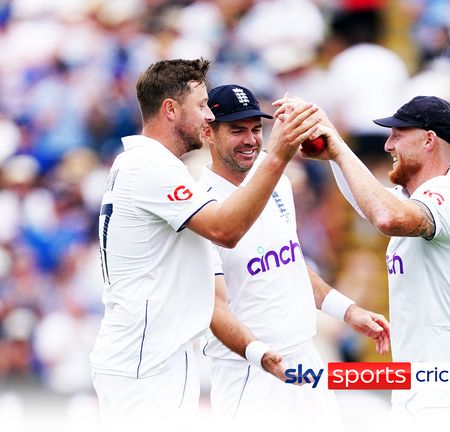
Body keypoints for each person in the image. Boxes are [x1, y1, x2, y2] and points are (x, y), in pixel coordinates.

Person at [89, 59, 321, 430]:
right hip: (145, 363)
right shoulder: (151, 167)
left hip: (152, 356)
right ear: (170, 109)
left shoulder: (145, 163)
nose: (208, 116)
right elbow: (226, 230)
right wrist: (277, 156)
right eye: (201, 106)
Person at [277, 94, 450, 429]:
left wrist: (338, 148)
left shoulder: (446, 197)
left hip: (447, 393)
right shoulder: (415, 200)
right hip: (420, 386)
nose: (389, 145)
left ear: (428, 140)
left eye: (398, 135)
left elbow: (385, 217)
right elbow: (369, 203)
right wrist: (333, 149)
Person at [198, 84, 390, 428]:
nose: (250, 139)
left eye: (256, 129)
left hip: (305, 358)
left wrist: (349, 311)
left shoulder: (279, 185)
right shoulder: (198, 206)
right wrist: (263, 357)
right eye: (237, 130)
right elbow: (213, 306)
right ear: (208, 133)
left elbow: (290, 264)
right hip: (250, 373)